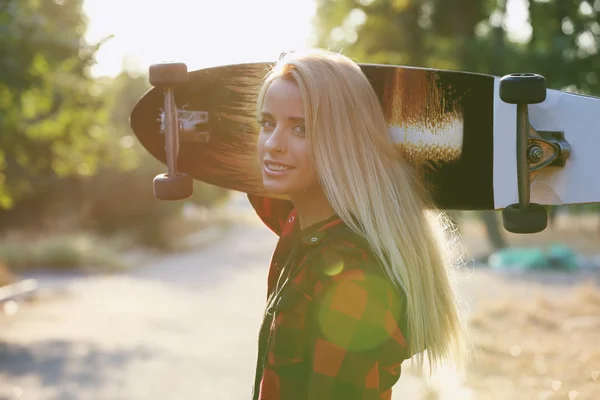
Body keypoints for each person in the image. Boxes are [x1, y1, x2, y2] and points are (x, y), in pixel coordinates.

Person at [247, 49, 468, 400]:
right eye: (267, 123)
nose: (272, 144)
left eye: (300, 128)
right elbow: (264, 192)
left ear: (342, 143)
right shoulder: (306, 232)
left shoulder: (351, 274)